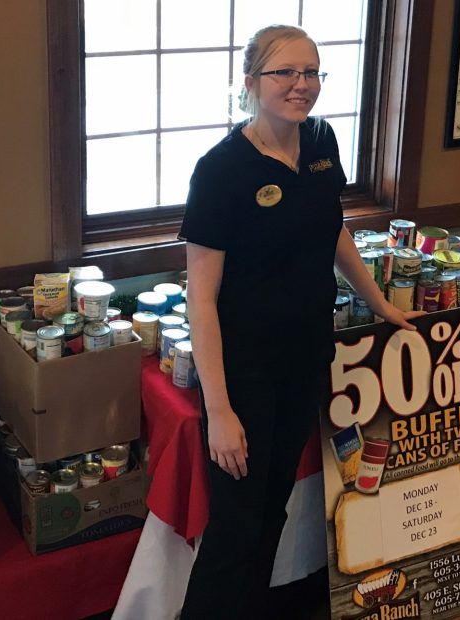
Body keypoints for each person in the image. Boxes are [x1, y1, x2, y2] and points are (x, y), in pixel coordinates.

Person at [178, 25, 421, 618]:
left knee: (272, 508)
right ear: (251, 82)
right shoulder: (220, 170)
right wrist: (220, 411)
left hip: (306, 356)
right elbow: (201, 300)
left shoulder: (321, 141)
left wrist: (381, 303)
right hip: (245, 370)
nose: (301, 85)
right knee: (236, 523)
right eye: (285, 72)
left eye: (311, 72)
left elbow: (331, 229)